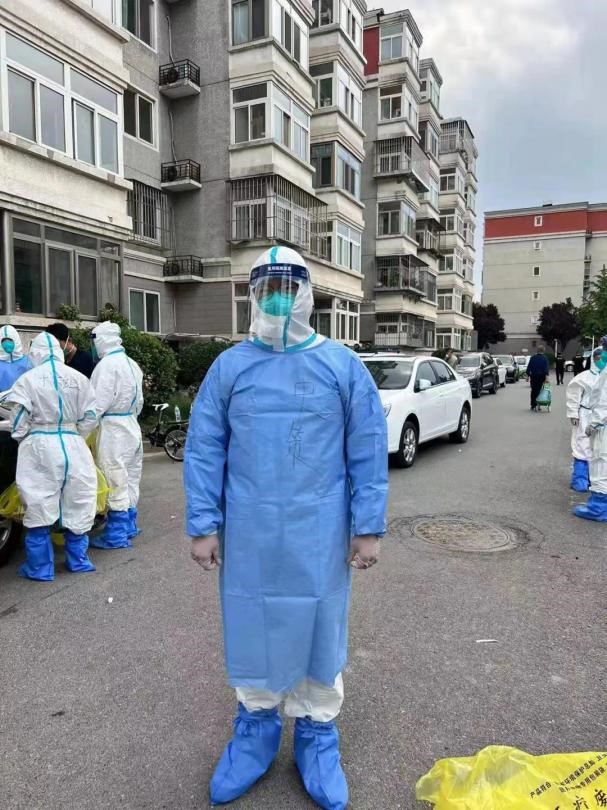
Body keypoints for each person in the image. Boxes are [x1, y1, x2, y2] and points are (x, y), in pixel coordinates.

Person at [184, 246, 388, 810]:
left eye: (287, 286)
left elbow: (368, 449)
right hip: (249, 532)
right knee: (252, 625)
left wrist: (368, 527)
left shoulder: (341, 366)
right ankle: (254, 732)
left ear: (306, 293)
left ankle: (317, 737)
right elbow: (204, 449)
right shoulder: (229, 368)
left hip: (319, 531)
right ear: (252, 295)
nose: (277, 296)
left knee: (320, 628)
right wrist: (203, 525)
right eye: (266, 287)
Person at [5, 332, 98, 581]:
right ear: (59, 351)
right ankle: (78, 560)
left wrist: (24, 438)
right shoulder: (78, 378)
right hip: (73, 444)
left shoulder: (27, 380)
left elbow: (18, 419)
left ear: (35, 354)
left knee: (38, 500)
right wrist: (75, 434)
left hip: (40, 445)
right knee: (78, 499)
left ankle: (40, 567)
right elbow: (91, 415)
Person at [89, 321, 144, 548]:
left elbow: (95, 405)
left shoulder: (106, 366)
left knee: (115, 477)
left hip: (114, 429)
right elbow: (139, 402)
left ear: (101, 340)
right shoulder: (132, 363)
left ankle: (116, 534)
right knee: (131, 477)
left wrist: (82, 430)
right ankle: (129, 525)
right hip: (132, 425)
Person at [574, 336, 607, 521]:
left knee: (601, 463)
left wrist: (594, 424)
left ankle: (599, 508)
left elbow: (603, 402)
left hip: (603, 427)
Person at [566, 348, 603, 491]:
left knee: (601, 449)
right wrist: (573, 413)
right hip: (586, 415)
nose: (601, 361)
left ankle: (598, 481)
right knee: (582, 445)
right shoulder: (584, 377)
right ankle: (580, 479)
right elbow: (573, 394)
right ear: (593, 359)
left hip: (603, 418)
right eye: (598, 358)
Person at [0, 325, 32, 391]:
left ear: (16, 340)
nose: (7, 343)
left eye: (10, 340)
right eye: (3, 341)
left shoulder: (28, 362)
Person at [526, 347, 550, 411]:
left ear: (537, 350)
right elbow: (546, 368)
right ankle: (538, 405)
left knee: (533, 390)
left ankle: (533, 405)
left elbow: (529, 367)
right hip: (541, 376)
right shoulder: (545, 358)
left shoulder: (533, 358)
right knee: (539, 390)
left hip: (533, 376)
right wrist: (547, 377)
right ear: (543, 351)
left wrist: (528, 376)